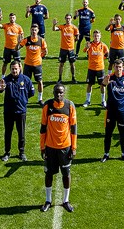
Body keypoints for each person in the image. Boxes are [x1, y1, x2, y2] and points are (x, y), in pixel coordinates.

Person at [39, 83, 77, 213]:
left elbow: (74, 128)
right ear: (53, 93)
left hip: (65, 148)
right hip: (50, 147)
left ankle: (66, 200)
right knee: (48, 174)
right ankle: (48, 200)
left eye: (61, 92)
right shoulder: (47, 106)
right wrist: (42, 147)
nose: (59, 95)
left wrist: (74, 147)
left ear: (64, 93)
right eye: (56, 92)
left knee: (66, 174)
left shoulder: (69, 106)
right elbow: (43, 128)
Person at [0, 60, 34, 161]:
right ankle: (7, 152)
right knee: (8, 132)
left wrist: (23, 100)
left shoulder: (26, 80)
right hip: (8, 111)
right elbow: (0, 89)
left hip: (21, 111)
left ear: (20, 68)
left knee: (21, 133)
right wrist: (1, 88)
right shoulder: (6, 80)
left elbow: (31, 92)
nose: (14, 71)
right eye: (13, 69)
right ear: (10, 69)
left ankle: (21, 152)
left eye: (16, 69)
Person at [100, 60, 124, 163]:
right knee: (108, 133)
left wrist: (123, 101)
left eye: (120, 67)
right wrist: (104, 83)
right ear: (113, 67)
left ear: (123, 67)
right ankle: (106, 154)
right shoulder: (109, 77)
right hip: (111, 111)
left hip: (122, 111)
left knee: (123, 134)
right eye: (116, 67)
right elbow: (102, 86)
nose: (118, 69)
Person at [19, 24, 48, 105]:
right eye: (32, 30)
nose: (34, 31)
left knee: (39, 81)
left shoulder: (41, 40)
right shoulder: (26, 40)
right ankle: (24, 97)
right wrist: (18, 42)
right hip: (27, 64)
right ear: (30, 30)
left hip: (37, 65)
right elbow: (17, 48)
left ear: (38, 30)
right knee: (25, 82)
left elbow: (45, 51)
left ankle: (40, 99)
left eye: (35, 30)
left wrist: (40, 57)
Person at [82, 30, 109, 108]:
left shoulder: (103, 45)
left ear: (100, 36)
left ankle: (103, 101)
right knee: (89, 84)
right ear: (93, 37)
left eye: (97, 36)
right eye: (95, 36)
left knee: (102, 85)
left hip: (100, 69)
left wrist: (101, 60)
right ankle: (88, 100)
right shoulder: (90, 44)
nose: (96, 37)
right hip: (91, 68)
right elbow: (84, 51)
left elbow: (107, 54)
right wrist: (86, 47)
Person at [53, 14, 79, 83]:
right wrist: (54, 25)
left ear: (71, 19)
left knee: (72, 64)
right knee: (61, 64)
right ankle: (60, 78)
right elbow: (54, 29)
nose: (68, 20)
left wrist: (75, 40)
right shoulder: (62, 26)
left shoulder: (74, 28)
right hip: (63, 49)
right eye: (67, 18)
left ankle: (73, 77)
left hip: (71, 49)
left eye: (69, 18)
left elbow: (77, 36)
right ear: (65, 19)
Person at [0, 13, 24, 77]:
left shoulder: (18, 27)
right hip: (7, 48)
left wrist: (19, 44)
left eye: (13, 17)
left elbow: (22, 37)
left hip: (15, 48)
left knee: (18, 63)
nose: (12, 19)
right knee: (5, 63)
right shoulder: (6, 25)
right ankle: (3, 76)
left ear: (15, 18)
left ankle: (21, 76)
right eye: (10, 18)